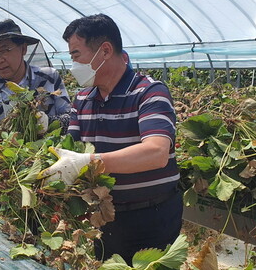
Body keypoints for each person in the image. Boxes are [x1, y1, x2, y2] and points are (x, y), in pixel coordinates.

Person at [42, 14, 181, 263]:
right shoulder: (83, 99)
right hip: (104, 217)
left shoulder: (149, 92)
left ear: (105, 50)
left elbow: (156, 153)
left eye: (76, 55)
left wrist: (88, 162)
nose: (73, 64)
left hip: (153, 215)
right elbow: (70, 150)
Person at [0, 19, 71, 151]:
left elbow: (71, 118)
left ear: (23, 49)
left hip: (48, 157)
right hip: (3, 162)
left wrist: (46, 122)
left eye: (5, 50)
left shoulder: (48, 78)